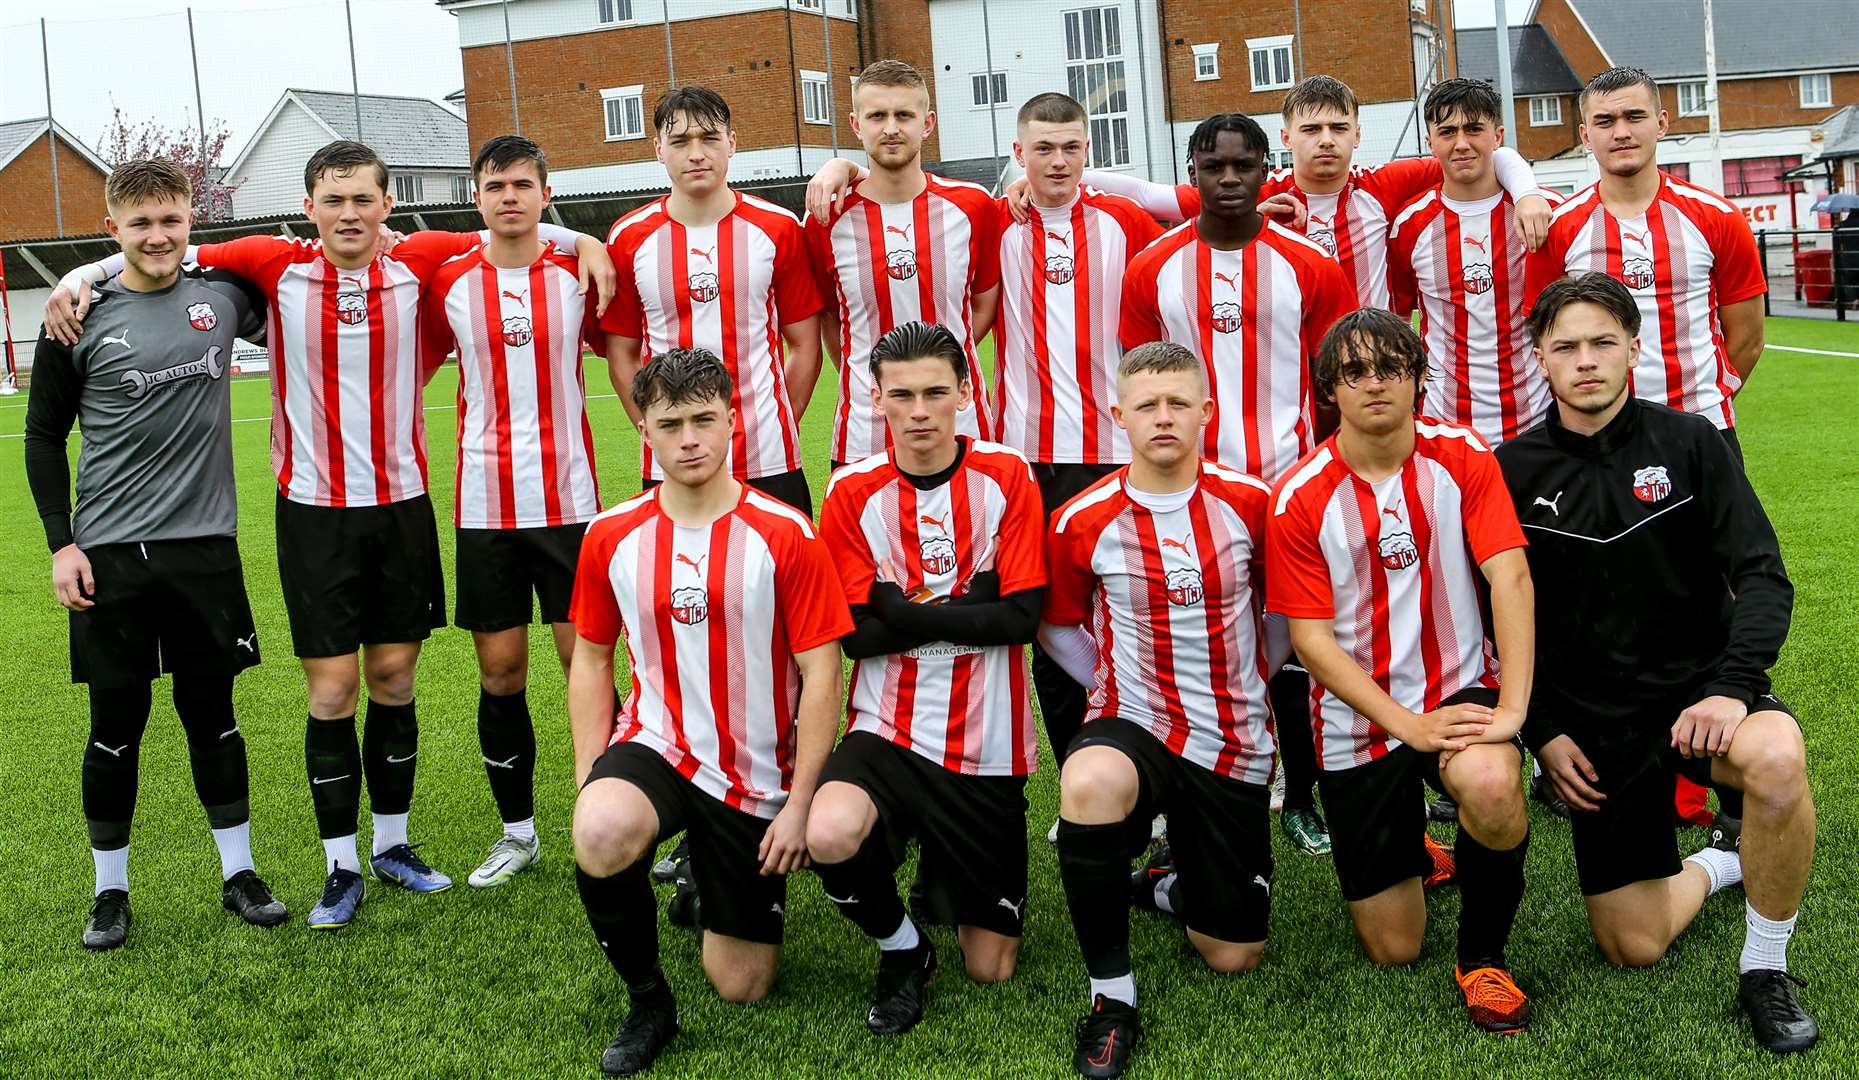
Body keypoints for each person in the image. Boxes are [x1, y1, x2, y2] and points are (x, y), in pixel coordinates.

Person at [43, 140, 616, 929]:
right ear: (308, 208)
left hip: (403, 506)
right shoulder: (275, 265)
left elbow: (509, 230)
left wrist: (582, 237)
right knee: (332, 690)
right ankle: (339, 867)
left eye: (363, 200)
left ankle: (394, 845)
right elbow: (168, 246)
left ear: (387, 207)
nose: (349, 213)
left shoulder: (422, 262)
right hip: (311, 513)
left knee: (393, 680)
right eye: (332, 200)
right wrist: (81, 275)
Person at [1497, 273, 1817, 1054]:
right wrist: (1540, 730)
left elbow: (1763, 577)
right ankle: (1717, 860)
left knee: (1776, 760)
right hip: (1594, 727)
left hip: (1695, 700)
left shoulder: (1689, 442)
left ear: (1633, 350)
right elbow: (1492, 625)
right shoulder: (1510, 470)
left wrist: (1731, 691)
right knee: (1631, 946)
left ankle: (1764, 970)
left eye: (1602, 342)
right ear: (1539, 358)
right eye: (1565, 346)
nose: (1585, 361)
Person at [24, 158, 287, 949]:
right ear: (114, 230)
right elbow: (41, 437)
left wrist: (91, 264)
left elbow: (284, 261)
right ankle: (110, 893)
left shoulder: (223, 299)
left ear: (190, 220)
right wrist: (61, 544)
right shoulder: (76, 318)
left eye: (171, 219)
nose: (158, 235)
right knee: (115, 723)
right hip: (109, 554)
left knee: (214, 716)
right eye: (139, 223)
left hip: (204, 550)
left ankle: (238, 873)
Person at [567, 347, 851, 1077]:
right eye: (670, 424)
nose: (689, 439)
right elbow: (593, 658)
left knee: (743, 987)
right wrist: (588, 772)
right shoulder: (611, 534)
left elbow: (823, 672)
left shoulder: (784, 532)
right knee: (599, 830)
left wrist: (801, 802)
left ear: (732, 420)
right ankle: (649, 1002)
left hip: (754, 772)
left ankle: (703, 887)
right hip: (657, 743)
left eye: (703, 419)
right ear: (645, 431)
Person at [1268, 309, 1535, 1034]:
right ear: (1328, 391)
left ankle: (1482, 959)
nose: (1373, 383)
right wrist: (1408, 727)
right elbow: (1312, 644)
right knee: (1392, 947)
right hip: (1360, 713)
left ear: (1418, 377)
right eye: (1353, 372)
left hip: (1457, 685)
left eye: (1390, 367)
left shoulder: (1462, 456)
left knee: (1489, 782)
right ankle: (1420, 848)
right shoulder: (1299, 497)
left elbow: (1508, 578)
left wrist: (1510, 713)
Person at [1041, 341, 1282, 1079]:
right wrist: (1108, 684)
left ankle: (1162, 882)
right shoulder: (1084, 518)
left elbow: (1280, 615)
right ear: (1119, 416)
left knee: (1233, 955)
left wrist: (1248, 680)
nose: (1163, 416)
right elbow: (1055, 625)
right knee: (1087, 784)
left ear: (1207, 411)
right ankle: (1110, 1000)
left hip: (1232, 738)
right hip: (1133, 724)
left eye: (1179, 401)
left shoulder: (1251, 503)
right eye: (1146, 404)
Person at [1119, 112, 1357, 856]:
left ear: (1265, 170)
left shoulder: (1308, 265)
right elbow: (1142, 386)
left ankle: (1301, 795)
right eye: (1213, 166)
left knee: (1299, 644)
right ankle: (1180, 793)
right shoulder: (1151, 268)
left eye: (1243, 166)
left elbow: (1334, 383)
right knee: (1189, 636)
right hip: (1188, 492)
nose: (1228, 179)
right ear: (1191, 170)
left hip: (1287, 490)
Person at [809, 321, 1046, 1034]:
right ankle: (903, 950)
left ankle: (940, 873)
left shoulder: (1007, 474)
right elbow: (855, 638)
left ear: (964, 394)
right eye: (902, 394)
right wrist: (972, 598)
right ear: (874, 398)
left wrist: (897, 603)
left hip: (987, 740)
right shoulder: (852, 490)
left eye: (935, 393)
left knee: (992, 966)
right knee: (828, 833)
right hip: (886, 729)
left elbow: (1023, 618)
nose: (919, 411)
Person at [421, 135, 607, 888]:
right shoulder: (447, 281)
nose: (508, 197)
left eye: (522, 185)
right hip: (484, 506)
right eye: (495, 185)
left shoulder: (577, 273)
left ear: (543, 191)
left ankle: (609, 813)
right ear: (476, 196)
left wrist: (585, 238)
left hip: (571, 503)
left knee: (584, 663)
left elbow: (622, 348)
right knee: (500, 673)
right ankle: (518, 832)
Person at [1048, 74, 1552, 309]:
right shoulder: (1254, 193)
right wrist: (1058, 172)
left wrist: (1527, 190)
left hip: (1381, 362)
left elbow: (1481, 154)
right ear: (1288, 138)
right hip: (1299, 368)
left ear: (1358, 135)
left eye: (1338, 127)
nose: (1327, 140)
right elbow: (1148, 193)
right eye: (1312, 130)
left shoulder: (1387, 185)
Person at [1524, 66, 1767, 457]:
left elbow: (1749, 340)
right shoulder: (1560, 229)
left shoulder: (1718, 218)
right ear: (1586, 135)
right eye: (1605, 121)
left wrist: (1703, 404)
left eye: (1634, 117)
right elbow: (1545, 335)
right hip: (1597, 433)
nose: (1621, 132)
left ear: (1661, 122)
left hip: (1703, 427)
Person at [603, 85, 824, 514]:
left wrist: (778, 426)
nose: (696, 153)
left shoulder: (778, 229)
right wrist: (660, 433)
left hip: (768, 456)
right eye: (680, 141)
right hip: (671, 463)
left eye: (709, 138)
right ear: (659, 150)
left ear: (732, 143)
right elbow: (622, 357)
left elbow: (805, 345)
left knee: (780, 578)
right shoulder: (629, 238)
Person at [802, 59, 1002, 471]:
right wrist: (874, 374)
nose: (890, 128)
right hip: (863, 431)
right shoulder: (828, 218)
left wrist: (939, 361)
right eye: (877, 115)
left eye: (903, 115)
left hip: (962, 425)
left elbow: (982, 306)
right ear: (857, 125)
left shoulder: (972, 206)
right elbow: (829, 320)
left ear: (927, 123)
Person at [1388, 78, 1556, 446]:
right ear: (1430, 142)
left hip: (1540, 420)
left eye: (1473, 129)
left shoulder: (1544, 211)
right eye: (1447, 132)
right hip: (1446, 425)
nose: (1461, 143)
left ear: (1497, 135)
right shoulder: (1409, 226)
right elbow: (1400, 324)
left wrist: (1528, 192)